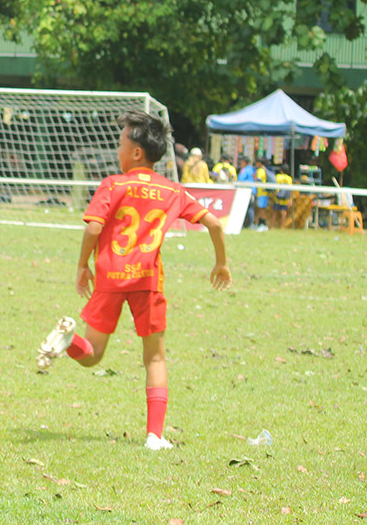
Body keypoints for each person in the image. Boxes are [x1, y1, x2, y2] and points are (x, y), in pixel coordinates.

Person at [35, 109, 231, 451]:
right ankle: (155, 436)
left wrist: (82, 265)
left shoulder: (113, 184)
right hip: (147, 282)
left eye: (120, 143)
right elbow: (214, 223)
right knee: (154, 358)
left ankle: (69, 341)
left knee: (92, 354)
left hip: (110, 280)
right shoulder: (172, 190)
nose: (117, 150)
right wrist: (221, 263)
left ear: (137, 152)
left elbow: (93, 228)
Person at [237, 156, 256, 228]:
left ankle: (244, 225)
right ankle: (250, 224)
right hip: (253, 190)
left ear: (244, 162)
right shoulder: (252, 169)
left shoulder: (244, 170)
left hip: (247, 191)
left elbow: (240, 179)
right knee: (251, 208)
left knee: (244, 208)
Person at [253, 159, 271, 231]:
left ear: (260, 163)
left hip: (262, 193)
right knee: (260, 209)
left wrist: (254, 177)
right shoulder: (264, 170)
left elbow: (259, 181)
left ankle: (264, 225)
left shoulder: (260, 171)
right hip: (263, 193)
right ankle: (259, 223)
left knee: (261, 209)